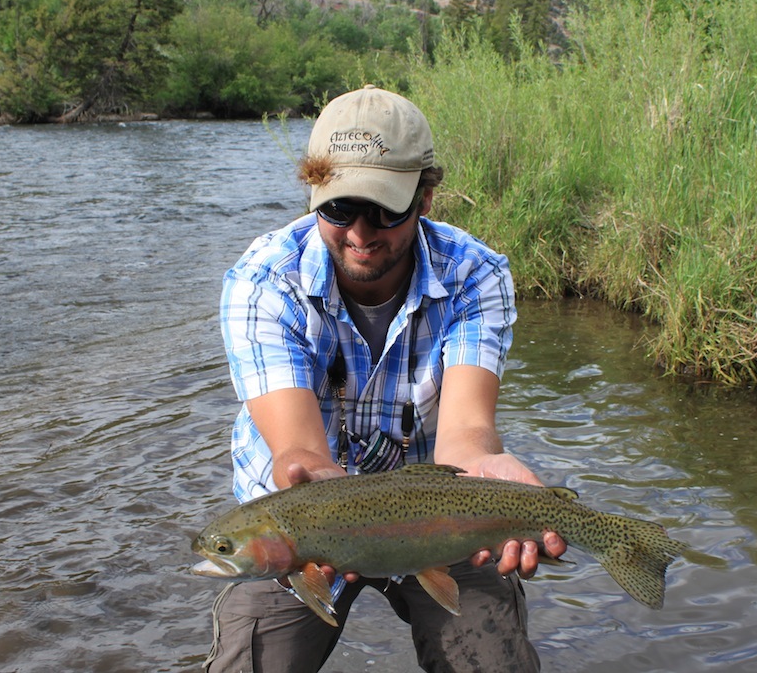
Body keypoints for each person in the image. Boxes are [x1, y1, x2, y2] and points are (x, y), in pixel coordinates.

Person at [204, 84, 566, 673]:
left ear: (425, 198)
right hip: (299, 529)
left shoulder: (475, 274)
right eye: (339, 208)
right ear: (313, 195)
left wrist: (487, 471)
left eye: (385, 209)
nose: (361, 232)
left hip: (442, 520)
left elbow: (465, 439)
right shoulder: (265, 281)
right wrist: (310, 487)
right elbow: (298, 452)